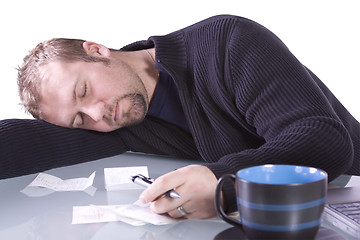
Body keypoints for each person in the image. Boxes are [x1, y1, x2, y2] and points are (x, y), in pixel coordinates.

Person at [2, 14, 359, 219]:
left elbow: (324, 142)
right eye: (79, 121)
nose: (97, 114)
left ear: (97, 51)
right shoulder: (117, 121)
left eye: (84, 91)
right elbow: (24, 142)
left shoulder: (226, 42)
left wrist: (223, 182)